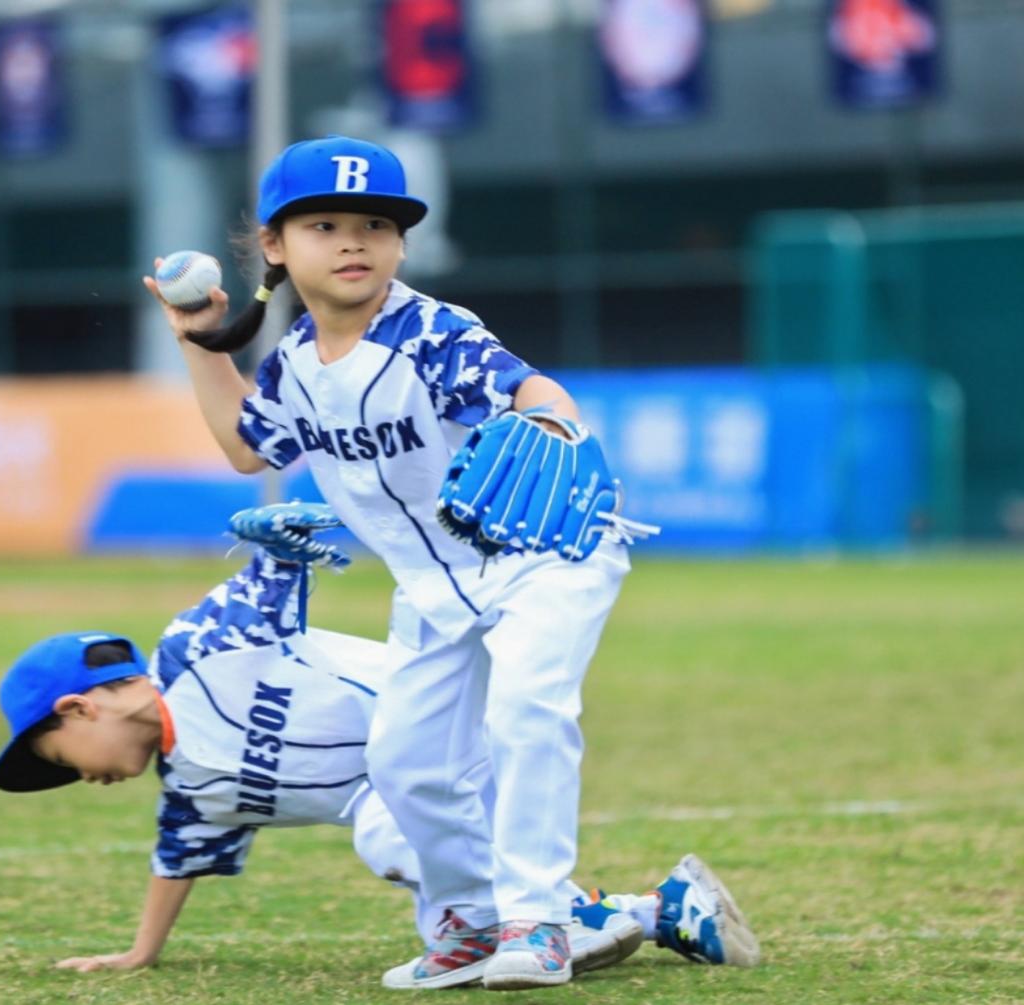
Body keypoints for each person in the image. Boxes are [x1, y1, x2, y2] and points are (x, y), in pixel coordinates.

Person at [141, 135, 650, 988]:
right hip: (432, 587)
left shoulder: (430, 332)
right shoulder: (296, 361)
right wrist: (199, 339)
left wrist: (553, 422)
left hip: (541, 556)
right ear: (273, 245)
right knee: (406, 764)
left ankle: (538, 920)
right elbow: (245, 445)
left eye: (375, 225)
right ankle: (469, 921)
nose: (353, 241)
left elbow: (529, 387)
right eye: (324, 225)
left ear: (401, 244)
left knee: (525, 711)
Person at [0, 511, 759, 984]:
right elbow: (175, 863)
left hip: (447, 726)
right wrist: (139, 953)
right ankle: (659, 910)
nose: (76, 777)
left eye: (58, 759)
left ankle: (560, 919)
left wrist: (277, 540)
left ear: (77, 706)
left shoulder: (198, 648)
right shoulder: (192, 790)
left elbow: (267, 575)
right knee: (451, 931)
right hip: (420, 790)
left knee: (390, 832)